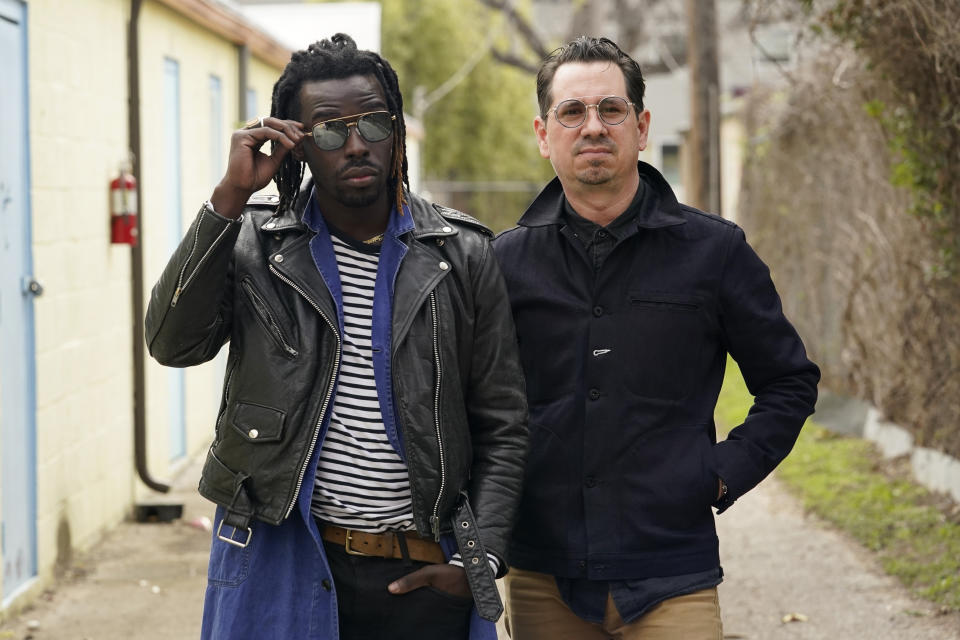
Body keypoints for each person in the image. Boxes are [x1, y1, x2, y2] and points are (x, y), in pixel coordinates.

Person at [145, 33, 527, 640]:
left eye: (374, 124)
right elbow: (171, 343)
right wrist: (230, 197)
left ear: (397, 130)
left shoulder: (462, 254)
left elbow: (504, 422)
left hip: (424, 573)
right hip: (282, 555)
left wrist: (477, 563)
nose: (355, 145)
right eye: (327, 130)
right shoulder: (252, 244)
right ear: (296, 144)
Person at [492, 36, 820, 639]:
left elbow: (789, 382)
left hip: (673, 571)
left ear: (640, 127)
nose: (593, 127)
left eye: (611, 110)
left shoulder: (716, 252)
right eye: (572, 112)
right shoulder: (502, 263)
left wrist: (721, 473)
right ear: (544, 134)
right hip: (544, 574)